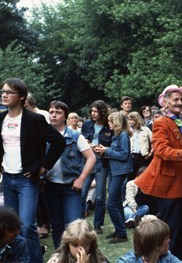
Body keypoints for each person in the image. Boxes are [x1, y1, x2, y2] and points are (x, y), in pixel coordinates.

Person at [0, 78, 66, 263]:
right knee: (11, 225)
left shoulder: (34, 119)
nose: (4, 95)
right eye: (3, 92)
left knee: (27, 224)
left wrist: (43, 166)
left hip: (26, 178)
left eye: (10, 92)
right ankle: (18, 262)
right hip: (8, 178)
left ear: (21, 96)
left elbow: (58, 142)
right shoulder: (1, 119)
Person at [135, 85, 182, 263]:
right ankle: (165, 261)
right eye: (175, 100)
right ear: (165, 102)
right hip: (168, 182)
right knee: (172, 225)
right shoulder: (161, 122)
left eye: (181, 100)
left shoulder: (181, 122)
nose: (179, 103)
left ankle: (181, 260)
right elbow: (161, 150)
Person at [44, 100, 96, 248]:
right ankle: (60, 258)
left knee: (73, 226)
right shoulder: (43, 134)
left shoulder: (74, 136)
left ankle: (75, 259)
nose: (54, 115)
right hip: (50, 185)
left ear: (65, 116)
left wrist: (81, 178)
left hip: (71, 187)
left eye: (58, 112)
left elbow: (91, 158)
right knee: (57, 226)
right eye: (52, 112)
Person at [93, 111, 133, 243]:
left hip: (120, 172)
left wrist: (107, 151)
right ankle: (119, 229)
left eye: (110, 122)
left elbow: (123, 155)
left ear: (117, 123)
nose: (108, 124)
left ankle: (121, 233)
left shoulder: (123, 136)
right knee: (116, 203)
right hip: (114, 171)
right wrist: (104, 150)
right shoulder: (117, 136)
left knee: (111, 204)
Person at [80, 100, 113, 234]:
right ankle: (80, 222)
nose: (93, 114)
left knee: (100, 196)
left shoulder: (108, 126)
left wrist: (104, 148)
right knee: (82, 193)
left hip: (102, 162)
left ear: (102, 112)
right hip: (88, 161)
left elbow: (112, 144)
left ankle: (98, 224)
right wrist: (85, 142)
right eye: (92, 111)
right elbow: (80, 140)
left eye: (96, 111)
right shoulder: (87, 124)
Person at [127, 111, 153, 179]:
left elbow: (154, 141)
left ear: (136, 120)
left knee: (142, 178)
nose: (129, 121)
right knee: (130, 179)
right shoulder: (128, 131)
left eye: (131, 120)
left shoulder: (145, 129)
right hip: (131, 157)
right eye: (128, 119)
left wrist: (150, 153)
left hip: (143, 157)